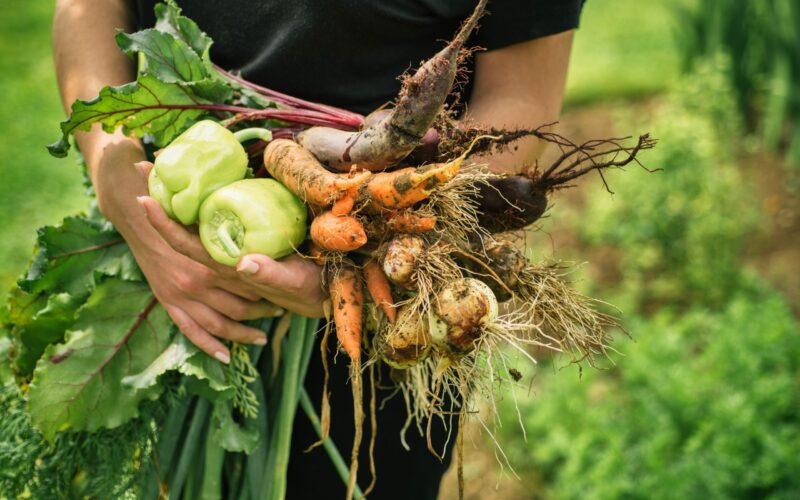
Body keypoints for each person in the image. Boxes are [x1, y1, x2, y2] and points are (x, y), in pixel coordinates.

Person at [53, 1, 583, 497]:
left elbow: (521, 100)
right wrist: (116, 175)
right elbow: (87, 11)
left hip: (393, 304)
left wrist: (378, 246)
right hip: (170, 267)